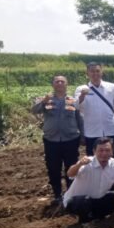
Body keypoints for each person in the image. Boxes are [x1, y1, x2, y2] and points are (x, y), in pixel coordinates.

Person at [31, 76, 82, 204]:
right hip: (51, 140)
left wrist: (83, 135)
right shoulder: (46, 99)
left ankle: (71, 193)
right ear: (53, 84)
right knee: (53, 168)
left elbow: (79, 118)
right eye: (57, 81)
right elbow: (34, 111)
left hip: (70, 139)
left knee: (71, 167)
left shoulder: (73, 100)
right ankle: (57, 194)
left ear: (66, 84)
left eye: (62, 81)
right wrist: (43, 102)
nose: (59, 83)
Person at [63, 138, 114, 224]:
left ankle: (95, 216)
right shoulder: (86, 162)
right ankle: (86, 220)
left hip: (97, 200)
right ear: (94, 151)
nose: (104, 153)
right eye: (101, 150)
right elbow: (70, 174)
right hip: (77, 201)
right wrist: (79, 164)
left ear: (112, 152)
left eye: (107, 150)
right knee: (83, 202)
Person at [75, 62, 114, 157]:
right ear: (87, 73)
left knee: (111, 157)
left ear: (101, 72)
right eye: (92, 71)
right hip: (91, 131)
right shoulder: (81, 89)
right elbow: (76, 106)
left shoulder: (112, 87)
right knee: (92, 158)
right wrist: (82, 96)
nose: (95, 73)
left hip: (110, 129)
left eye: (97, 71)